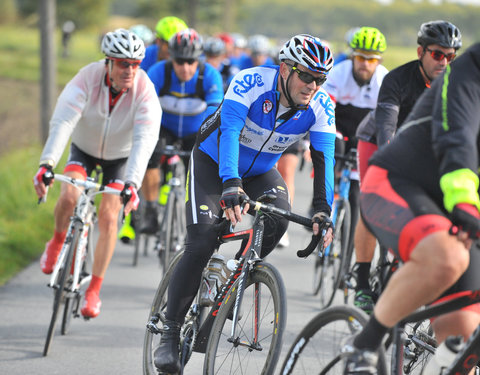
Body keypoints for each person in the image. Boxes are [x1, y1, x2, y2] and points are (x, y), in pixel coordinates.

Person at [153, 34, 336, 374]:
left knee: (278, 221)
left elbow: (324, 158)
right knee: (202, 241)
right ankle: (170, 331)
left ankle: (235, 281)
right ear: (285, 69)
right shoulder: (250, 81)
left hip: (262, 172)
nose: (313, 84)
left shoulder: (322, 106)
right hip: (215, 161)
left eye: (320, 78)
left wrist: (324, 211)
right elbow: (231, 132)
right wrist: (231, 183)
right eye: (307, 75)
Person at [343, 41, 480, 374]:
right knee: (447, 257)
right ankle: (365, 345)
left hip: (463, 205)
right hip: (400, 181)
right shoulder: (467, 72)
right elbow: (457, 136)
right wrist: (464, 200)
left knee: (464, 332)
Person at [32, 29, 162, 318]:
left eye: (134, 64)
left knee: (108, 216)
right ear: (108, 63)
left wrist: (132, 184)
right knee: (68, 195)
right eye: (122, 64)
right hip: (85, 149)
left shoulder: (145, 91)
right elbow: (64, 122)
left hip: (120, 157)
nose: (129, 70)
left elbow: (145, 140)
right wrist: (47, 163)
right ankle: (56, 242)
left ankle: (93, 291)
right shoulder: (87, 78)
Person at [352, 20, 462, 314]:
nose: (444, 62)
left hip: (420, 149)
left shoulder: (455, 87)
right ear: (420, 52)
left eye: (451, 56)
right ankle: (362, 281)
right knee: (371, 202)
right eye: (438, 54)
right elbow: (387, 127)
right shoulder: (397, 80)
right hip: (377, 141)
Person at [139, 28, 224, 234]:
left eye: (191, 62)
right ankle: (150, 209)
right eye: (180, 62)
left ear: (199, 60)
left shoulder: (210, 75)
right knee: (150, 160)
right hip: (163, 127)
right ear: (172, 59)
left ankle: (194, 217)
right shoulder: (159, 72)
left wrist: (205, 142)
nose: (185, 68)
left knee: (198, 173)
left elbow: (215, 112)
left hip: (195, 130)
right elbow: (144, 106)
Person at [322, 26, 388, 262]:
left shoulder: (384, 80)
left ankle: (348, 254)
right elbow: (325, 109)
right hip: (338, 125)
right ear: (352, 56)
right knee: (334, 150)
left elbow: (387, 121)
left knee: (358, 198)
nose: (365, 64)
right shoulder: (338, 73)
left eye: (371, 59)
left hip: (365, 134)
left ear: (379, 61)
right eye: (360, 57)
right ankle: (324, 202)